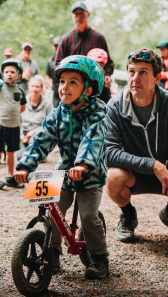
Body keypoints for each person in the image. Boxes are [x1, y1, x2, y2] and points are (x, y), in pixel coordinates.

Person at [14, 55, 110, 279]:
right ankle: (53, 253)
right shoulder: (58, 114)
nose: (64, 87)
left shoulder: (97, 112)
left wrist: (83, 163)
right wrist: (25, 167)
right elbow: (41, 141)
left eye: (73, 82)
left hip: (90, 173)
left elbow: (93, 139)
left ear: (87, 90)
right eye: (62, 82)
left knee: (88, 215)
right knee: (52, 209)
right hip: (65, 171)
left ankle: (99, 257)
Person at [105, 48, 168, 242]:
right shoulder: (114, 107)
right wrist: (153, 165)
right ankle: (127, 215)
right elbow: (109, 153)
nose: (135, 78)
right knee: (113, 177)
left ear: (157, 78)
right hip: (135, 175)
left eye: (143, 72)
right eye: (132, 72)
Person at [0, 59, 27, 189]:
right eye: (6, 72)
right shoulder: (0, 87)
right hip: (1, 125)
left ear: (19, 75)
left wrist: (15, 112)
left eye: (12, 72)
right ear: (3, 74)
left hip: (14, 126)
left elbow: (23, 106)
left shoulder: (19, 91)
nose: (9, 74)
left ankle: (10, 176)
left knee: (11, 152)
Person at [55, 1, 114, 96]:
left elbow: (109, 63)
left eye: (82, 14)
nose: (79, 17)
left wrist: (107, 75)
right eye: (76, 14)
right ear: (72, 16)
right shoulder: (66, 39)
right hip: (73, 90)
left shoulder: (99, 38)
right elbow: (58, 64)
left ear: (88, 14)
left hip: (95, 88)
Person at [17, 75, 54, 160]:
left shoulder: (47, 103)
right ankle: (37, 154)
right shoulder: (23, 101)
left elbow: (50, 124)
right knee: (19, 157)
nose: (34, 89)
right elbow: (18, 122)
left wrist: (34, 131)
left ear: (41, 89)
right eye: (32, 86)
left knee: (32, 149)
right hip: (24, 134)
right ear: (29, 87)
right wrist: (22, 135)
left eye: (37, 87)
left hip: (39, 134)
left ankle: (41, 153)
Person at [46, 36, 62, 107]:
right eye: (55, 45)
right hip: (56, 93)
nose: (56, 47)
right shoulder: (50, 61)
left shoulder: (67, 59)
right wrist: (52, 86)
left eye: (58, 45)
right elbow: (47, 76)